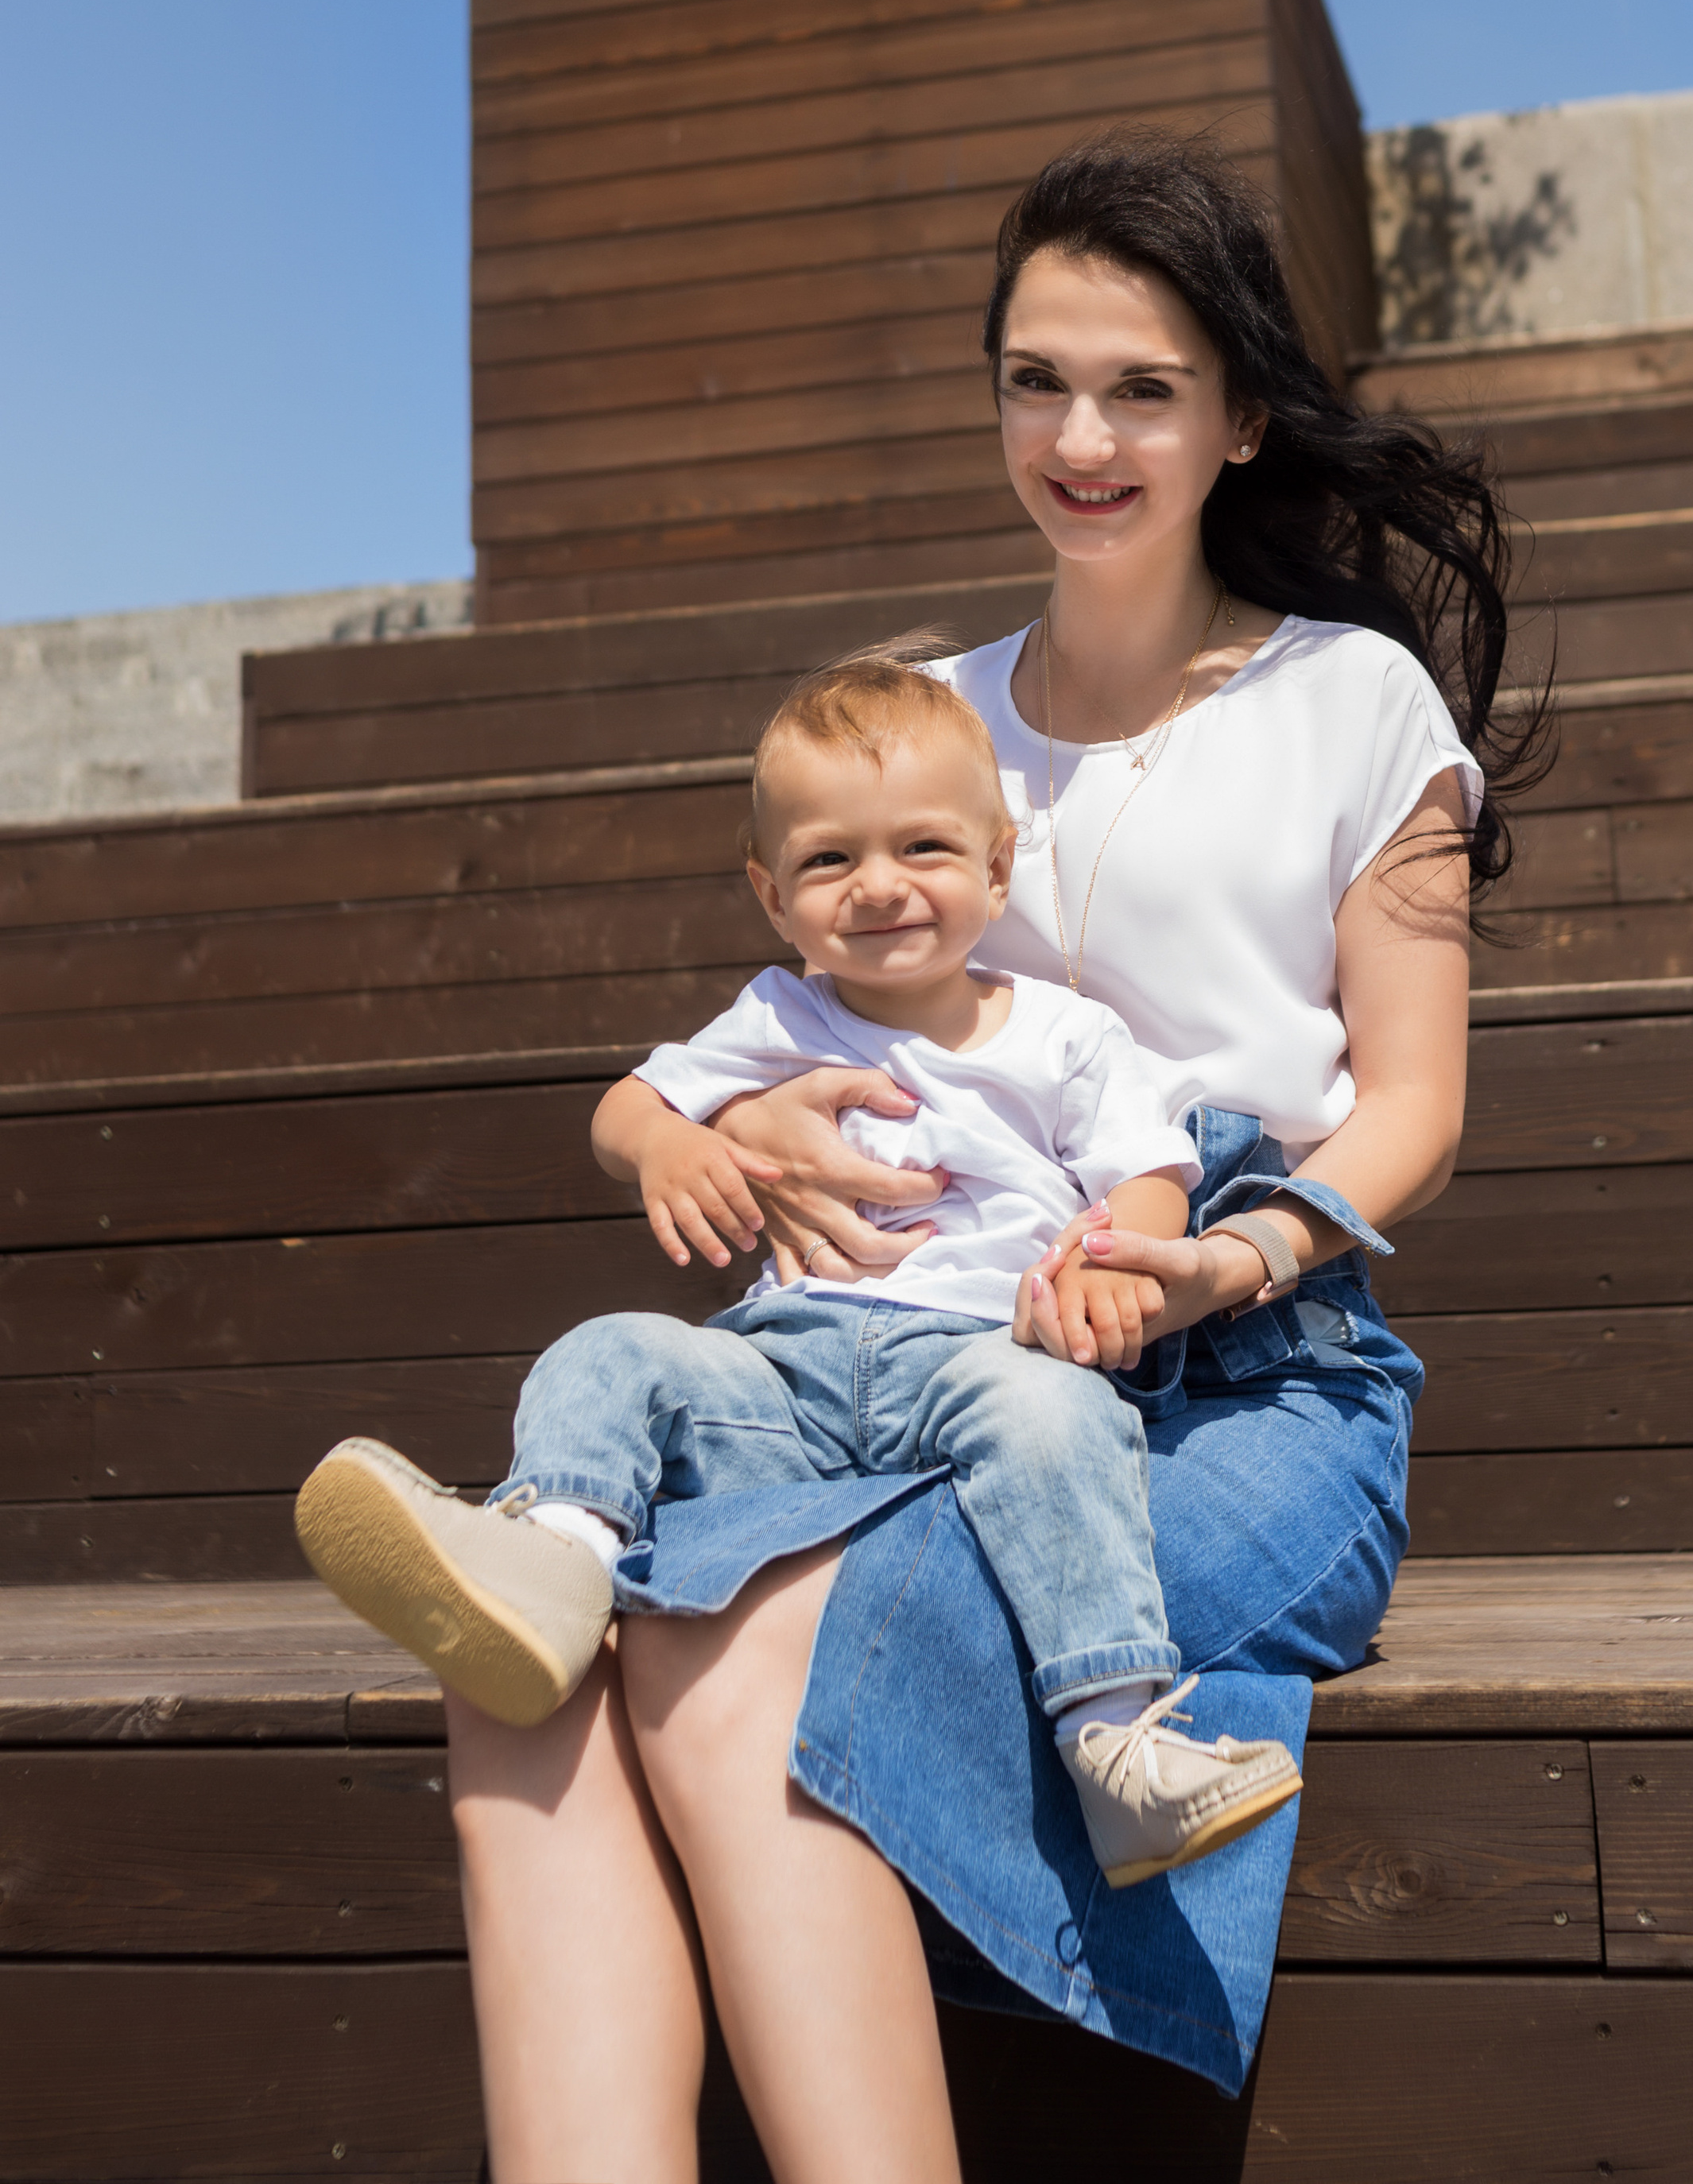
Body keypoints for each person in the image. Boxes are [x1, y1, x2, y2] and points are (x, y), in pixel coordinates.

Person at [444, 131, 1540, 2184]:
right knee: (523, 1643)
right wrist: (750, 1130)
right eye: (1037, 380)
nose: (1084, 434)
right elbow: (805, 1025)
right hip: (919, 1333)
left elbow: (1416, 1105)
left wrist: (1224, 1261)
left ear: (1234, 417)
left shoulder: (1354, 702)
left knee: (742, 1625)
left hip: (1241, 1359)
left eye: (1140, 386)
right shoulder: (924, 719)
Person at [295, 655, 1304, 1888]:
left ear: (997, 868)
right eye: (829, 861)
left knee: (1060, 1416)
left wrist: (1111, 1259)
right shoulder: (781, 1013)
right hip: (781, 1379)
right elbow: (624, 1112)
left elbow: (1149, 1174)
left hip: (979, 1360)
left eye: (924, 849)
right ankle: (556, 1566)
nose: (878, 887)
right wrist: (670, 1142)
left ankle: (1116, 1740)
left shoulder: (1060, 1032)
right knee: (611, 1350)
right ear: (773, 896)